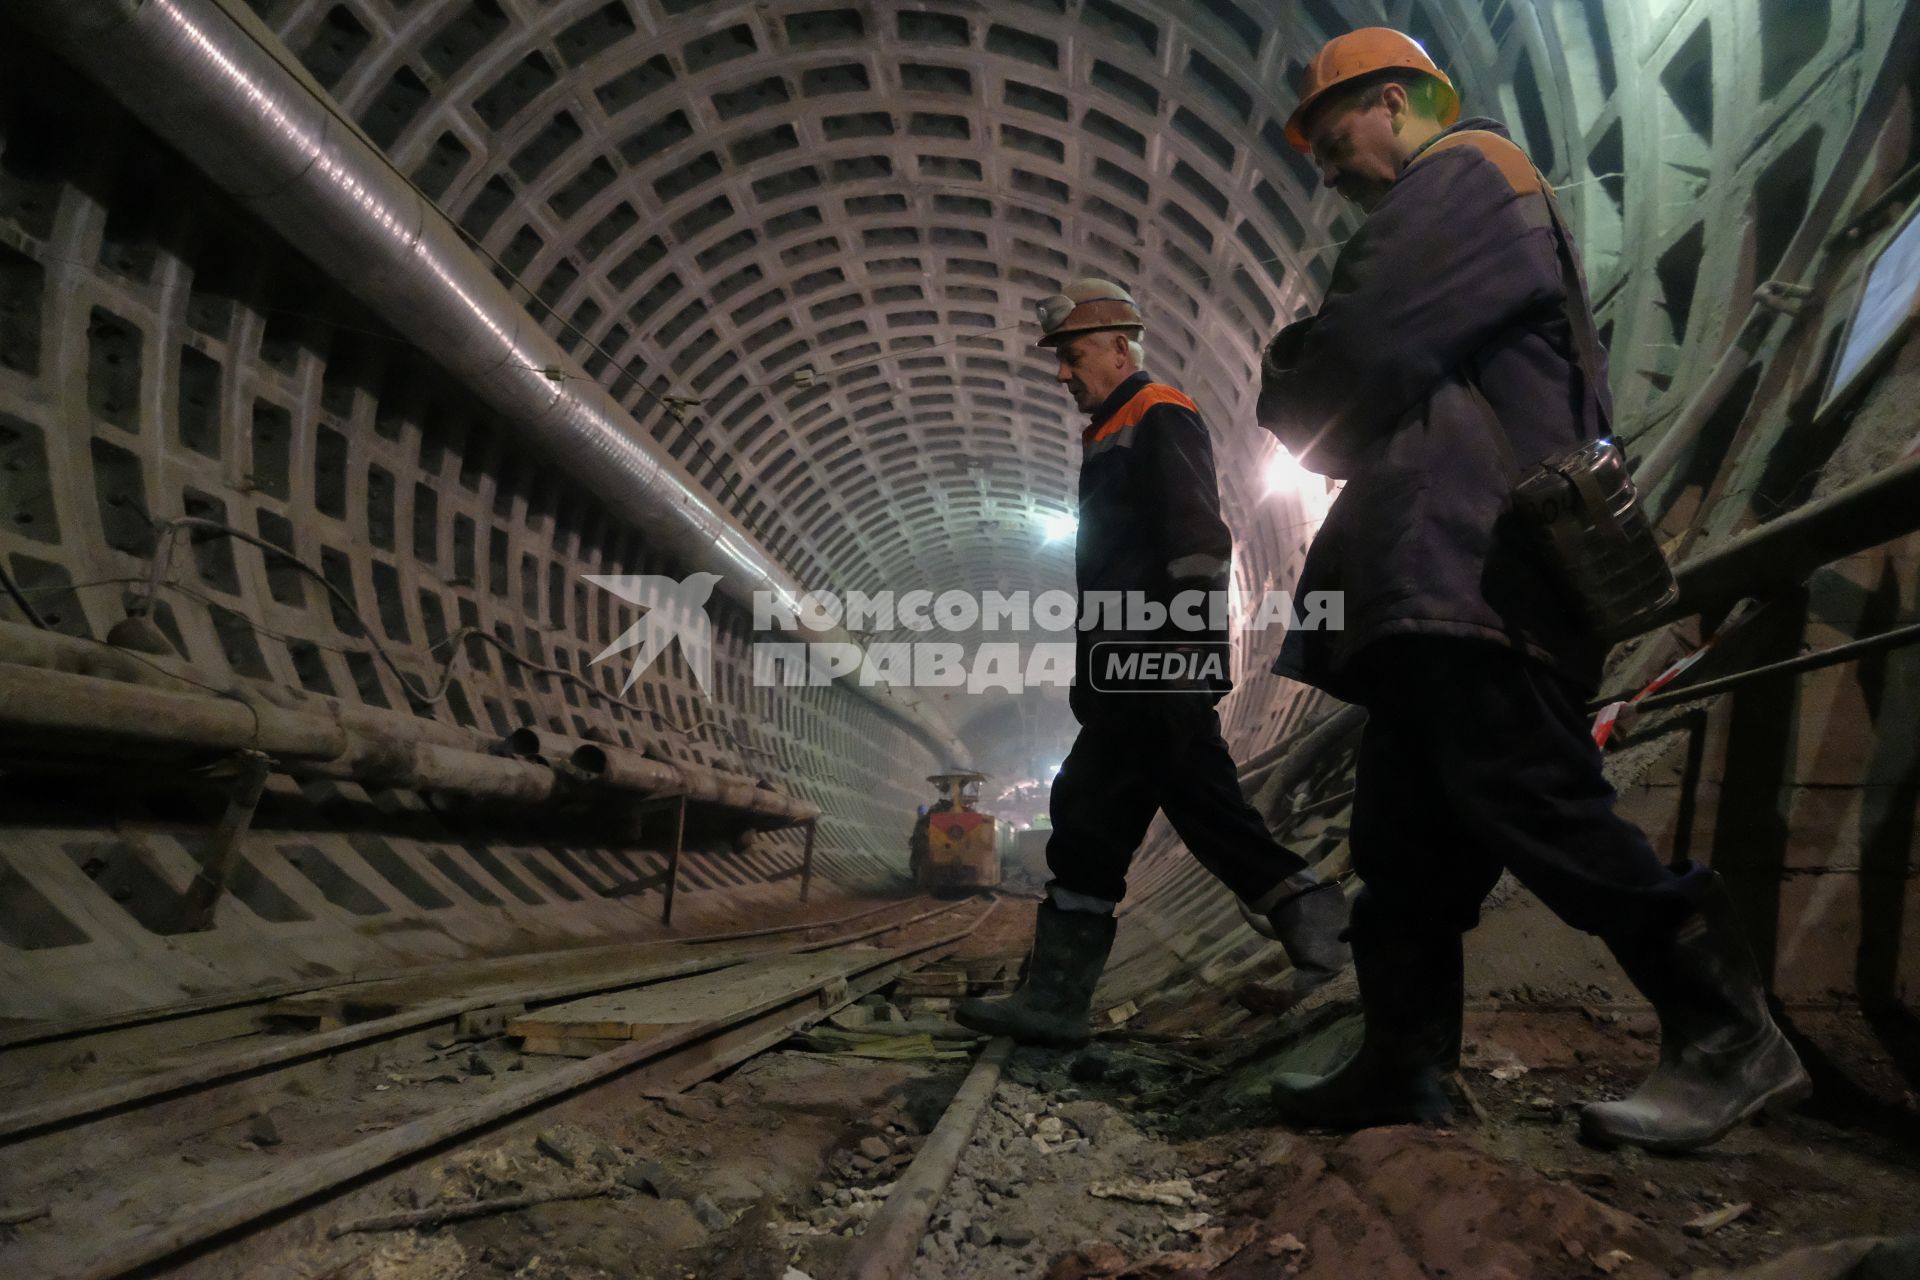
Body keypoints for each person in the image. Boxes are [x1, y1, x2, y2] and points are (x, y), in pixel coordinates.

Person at [1254, 28, 1810, 1151]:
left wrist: (1287, 369)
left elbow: (1341, 376)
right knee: (1405, 845)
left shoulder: (1464, 176)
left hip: (1479, 571)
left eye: (1328, 131)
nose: (1322, 162)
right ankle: (1401, 1060)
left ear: (1401, 99)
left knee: (1541, 801)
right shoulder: (1464, 196)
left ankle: (1729, 1030)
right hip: (1441, 579)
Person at [955, 280, 1350, 1048]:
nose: (1063, 375)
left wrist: (1176, 650)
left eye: (1073, 358)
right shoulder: (1108, 431)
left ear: (1118, 349)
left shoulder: (1157, 411)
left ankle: (1318, 923)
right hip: (1124, 667)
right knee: (1091, 815)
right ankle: (1059, 998)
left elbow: (1197, 537)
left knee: (1180, 799)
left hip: (1155, 659)